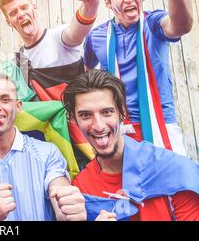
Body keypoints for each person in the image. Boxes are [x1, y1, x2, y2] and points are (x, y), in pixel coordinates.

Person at [82, 0, 193, 155]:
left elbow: (182, 24)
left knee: (178, 186)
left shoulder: (153, 23)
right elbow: (86, 72)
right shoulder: (96, 37)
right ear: (108, 2)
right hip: (117, 129)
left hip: (162, 124)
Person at [62, 69, 199, 221]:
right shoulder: (82, 188)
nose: (98, 126)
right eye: (86, 115)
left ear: (122, 112)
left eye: (107, 112)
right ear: (74, 119)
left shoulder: (174, 171)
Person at [0, 73, 86, 221]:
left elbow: (58, 187)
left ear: (18, 106)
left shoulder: (47, 152)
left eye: (5, 100)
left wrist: (67, 207)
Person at [0, 0, 100, 101]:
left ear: (34, 9)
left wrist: (91, 5)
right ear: (9, 22)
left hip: (79, 117)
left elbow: (76, 33)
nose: (21, 14)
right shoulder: (20, 61)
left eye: (24, 7)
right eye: (13, 13)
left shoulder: (58, 37)